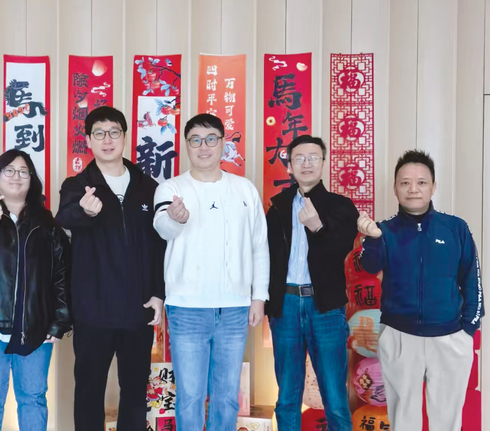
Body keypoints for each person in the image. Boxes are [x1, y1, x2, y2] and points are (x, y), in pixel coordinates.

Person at [153, 113, 269, 430]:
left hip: (234, 307)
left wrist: (259, 297)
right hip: (187, 307)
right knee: (190, 395)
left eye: (210, 139)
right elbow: (162, 228)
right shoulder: (171, 188)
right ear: (186, 145)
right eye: (195, 140)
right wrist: (175, 218)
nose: (203, 146)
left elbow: (259, 245)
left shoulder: (244, 189)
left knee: (227, 396)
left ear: (223, 143)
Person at [56, 106, 165, 430]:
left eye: (114, 132)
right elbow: (63, 218)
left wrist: (158, 293)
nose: (107, 140)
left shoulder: (147, 186)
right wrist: (85, 213)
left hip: (138, 309)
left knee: (135, 392)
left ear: (125, 137)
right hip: (93, 310)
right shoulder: (77, 186)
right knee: (89, 392)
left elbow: (159, 245)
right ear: (89, 140)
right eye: (99, 133)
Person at [358, 149, 483, 430]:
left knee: (447, 420)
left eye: (421, 182)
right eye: (405, 183)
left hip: (450, 336)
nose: (413, 189)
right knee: (403, 419)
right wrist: (373, 238)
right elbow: (368, 266)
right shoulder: (384, 231)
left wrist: (468, 329)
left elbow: (472, 278)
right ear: (395, 188)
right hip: (399, 336)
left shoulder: (455, 228)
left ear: (433, 187)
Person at [0, 149, 71, 431]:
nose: (16, 177)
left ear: (32, 180)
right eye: (9, 170)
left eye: (23, 172)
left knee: (33, 399)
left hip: (35, 326)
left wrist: (59, 322)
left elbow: (61, 275)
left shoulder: (47, 224)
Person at [264, 135, 358, 430]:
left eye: (313, 157)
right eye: (299, 158)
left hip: (325, 306)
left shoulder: (341, 206)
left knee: (335, 396)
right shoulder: (278, 206)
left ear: (323, 163)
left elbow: (342, 250)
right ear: (289, 166)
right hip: (286, 304)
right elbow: (265, 256)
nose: (307, 164)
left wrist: (317, 227)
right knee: (287, 396)